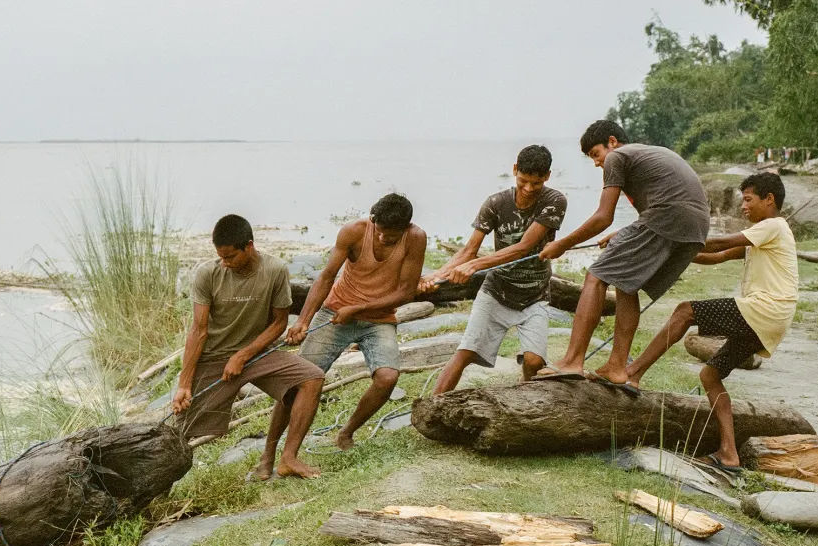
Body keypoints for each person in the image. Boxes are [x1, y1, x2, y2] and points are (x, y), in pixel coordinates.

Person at [620, 171, 798, 473]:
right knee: (710, 376)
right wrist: (671, 252)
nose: (743, 206)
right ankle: (729, 453)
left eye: (748, 200)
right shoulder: (765, 234)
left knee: (684, 311)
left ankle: (632, 374)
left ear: (769, 200)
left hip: (764, 310)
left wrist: (669, 235)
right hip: (771, 320)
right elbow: (715, 257)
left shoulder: (772, 226)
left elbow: (716, 244)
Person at [538, 119, 711, 388]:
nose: (597, 163)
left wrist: (563, 244)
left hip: (669, 217)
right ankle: (617, 367)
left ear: (612, 142)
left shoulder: (616, 157)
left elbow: (603, 217)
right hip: (696, 228)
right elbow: (662, 200)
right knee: (626, 285)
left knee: (596, 277)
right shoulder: (644, 154)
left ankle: (572, 361)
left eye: (596, 154)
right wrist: (623, 234)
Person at [173, 214, 327, 479]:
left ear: (249, 246)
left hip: (258, 354)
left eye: (230, 256)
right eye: (221, 256)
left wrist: (243, 355)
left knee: (312, 378)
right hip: (213, 358)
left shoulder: (275, 269)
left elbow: (279, 323)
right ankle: (162, 485)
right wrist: (184, 384)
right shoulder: (207, 273)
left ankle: (285, 458)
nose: (225, 263)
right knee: (182, 429)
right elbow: (198, 330)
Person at [420, 146, 567, 394]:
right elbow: (468, 250)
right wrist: (436, 275)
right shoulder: (496, 203)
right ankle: (433, 404)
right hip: (496, 291)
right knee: (465, 352)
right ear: (514, 171)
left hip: (535, 296)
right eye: (523, 181)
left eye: (536, 183)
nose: (529, 188)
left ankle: (524, 399)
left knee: (534, 362)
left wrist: (474, 265)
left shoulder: (554, 201)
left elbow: (523, 247)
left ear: (548, 177)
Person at [286, 193, 427, 449]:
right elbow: (326, 277)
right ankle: (279, 451)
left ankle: (346, 432)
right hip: (335, 313)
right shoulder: (354, 231)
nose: (383, 238)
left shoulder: (416, 238)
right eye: (380, 230)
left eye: (391, 236)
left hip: (379, 320)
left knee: (387, 378)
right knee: (299, 379)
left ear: (406, 228)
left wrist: (359, 308)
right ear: (373, 218)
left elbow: (406, 292)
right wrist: (303, 321)